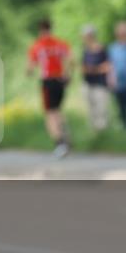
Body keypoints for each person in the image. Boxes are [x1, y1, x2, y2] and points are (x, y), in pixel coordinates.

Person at [26, 19, 73, 158]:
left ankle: (60, 143)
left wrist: (29, 72)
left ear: (40, 30)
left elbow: (30, 67)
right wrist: (68, 74)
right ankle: (65, 134)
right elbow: (71, 60)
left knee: (49, 114)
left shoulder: (38, 46)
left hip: (47, 81)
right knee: (57, 109)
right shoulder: (60, 43)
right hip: (60, 80)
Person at [80, 25, 111, 132]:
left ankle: (102, 131)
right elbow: (83, 66)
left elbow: (108, 65)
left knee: (101, 108)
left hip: (100, 83)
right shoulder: (85, 50)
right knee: (90, 109)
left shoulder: (102, 49)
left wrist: (95, 69)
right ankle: (93, 132)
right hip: (88, 83)